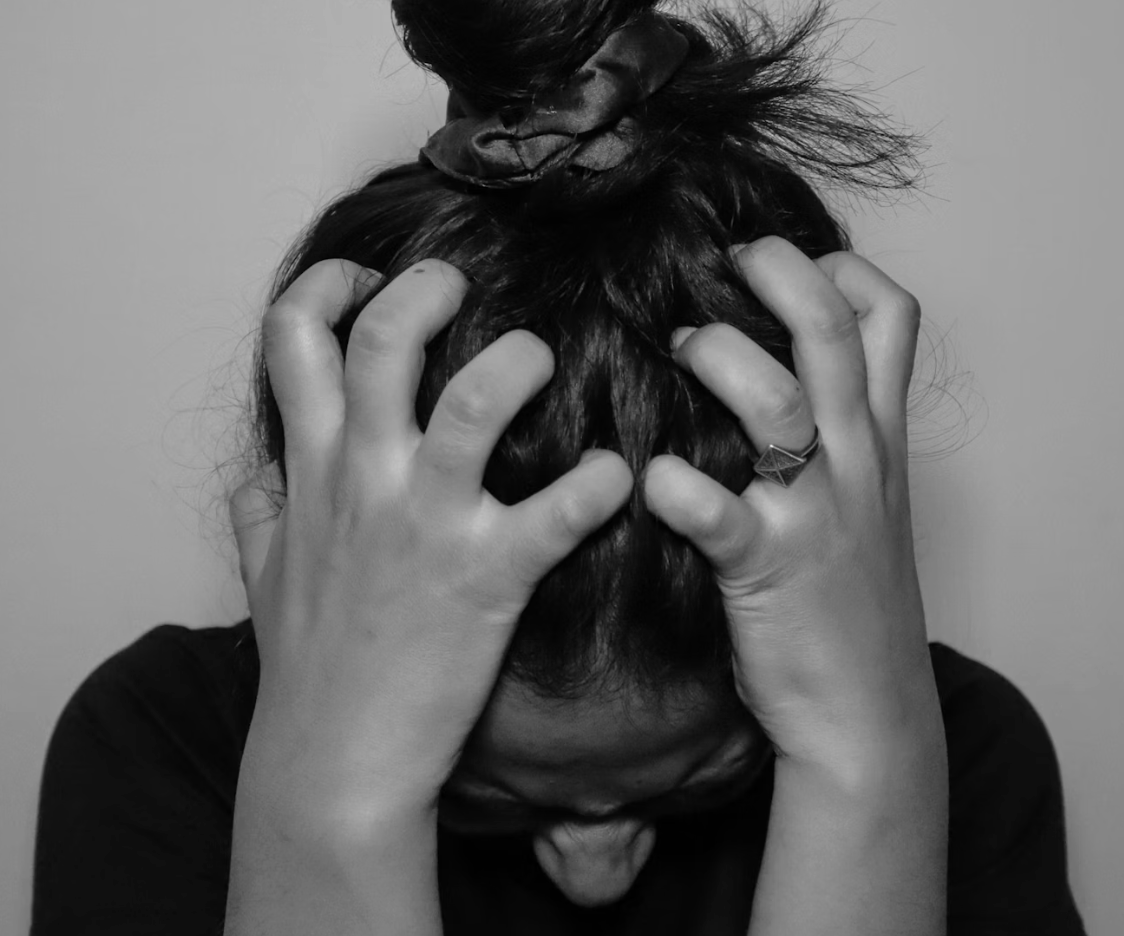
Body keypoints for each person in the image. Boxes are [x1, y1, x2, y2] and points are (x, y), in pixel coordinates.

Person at [31, 1, 1086, 934]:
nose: (596, 876)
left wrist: (869, 769)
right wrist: (331, 804)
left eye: (698, 787)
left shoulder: (958, 752)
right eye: (479, 795)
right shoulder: (159, 745)